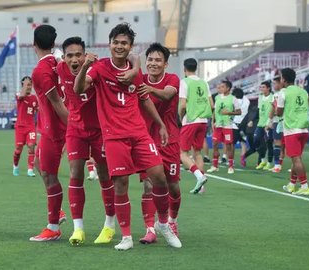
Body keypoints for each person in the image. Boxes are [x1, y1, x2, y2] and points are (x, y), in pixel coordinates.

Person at [74, 23, 181, 250]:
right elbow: (79, 89)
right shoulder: (100, 68)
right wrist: (84, 67)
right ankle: (126, 236)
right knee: (120, 184)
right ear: (109, 44)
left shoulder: (136, 71)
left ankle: (163, 224)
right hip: (114, 137)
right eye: (116, 42)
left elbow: (144, 98)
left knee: (159, 177)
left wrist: (161, 124)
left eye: (124, 43)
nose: (119, 46)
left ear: (130, 46)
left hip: (139, 134)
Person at [57, 36, 116, 246]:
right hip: (75, 129)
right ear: (63, 58)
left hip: (100, 129)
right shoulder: (59, 70)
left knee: (104, 175)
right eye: (70, 56)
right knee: (75, 173)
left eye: (78, 55)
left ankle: (109, 225)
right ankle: (78, 229)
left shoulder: (97, 69)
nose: (74, 60)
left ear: (85, 55)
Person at [137, 43, 182, 244]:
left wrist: (149, 89)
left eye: (158, 60)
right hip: (146, 140)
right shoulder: (140, 79)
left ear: (165, 64)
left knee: (172, 187)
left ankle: (172, 220)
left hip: (169, 140)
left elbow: (167, 94)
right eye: (150, 60)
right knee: (148, 186)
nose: (153, 63)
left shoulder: (172, 79)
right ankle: (150, 229)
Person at [29, 25, 68, 242]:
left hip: (55, 129)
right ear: (53, 43)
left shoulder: (40, 72)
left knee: (50, 175)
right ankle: (58, 211)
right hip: (50, 128)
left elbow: (58, 104)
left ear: (33, 44)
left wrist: (75, 130)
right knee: (38, 163)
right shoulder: (57, 62)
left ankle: (53, 225)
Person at [178, 58, 212, 194]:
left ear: (184, 69)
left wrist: (181, 118)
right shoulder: (204, 83)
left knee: (182, 153)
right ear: (196, 68)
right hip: (203, 120)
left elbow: (183, 105)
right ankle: (201, 186)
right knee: (197, 152)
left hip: (191, 120)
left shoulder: (184, 82)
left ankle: (199, 176)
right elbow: (212, 103)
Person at [277, 68, 309, 195]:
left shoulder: (283, 92)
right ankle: (292, 184)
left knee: (296, 159)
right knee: (297, 159)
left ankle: (304, 186)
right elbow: (308, 106)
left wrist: (276, 107)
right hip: (304, 128)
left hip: (292, 129)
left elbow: (279, 113)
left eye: (280, 78)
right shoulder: (303, 91)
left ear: (284, 79)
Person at [207, 80, 241, 174]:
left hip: (227, 126)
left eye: (222, 87)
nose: (220, 88)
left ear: (228, 88)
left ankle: (230, 166)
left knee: (229, 145)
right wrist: (213, 122)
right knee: (214, 144)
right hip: (218, 125)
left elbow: (239, 112)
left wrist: (229, 113)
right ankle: (215, 166)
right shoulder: (217, 97)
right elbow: (215, 111)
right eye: (220, 86)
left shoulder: (233, 99)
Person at [241, 81, 274, 170]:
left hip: (268, 124)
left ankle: (269, 163)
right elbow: (258, 111)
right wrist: (252, 120)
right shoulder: (260, 97)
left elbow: (274, 110)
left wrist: (270, 121)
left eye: (263, 87)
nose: (261, 89)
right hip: (260, 124)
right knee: (256, 141)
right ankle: (263, 160)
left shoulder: (273, 97)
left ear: (268, 88)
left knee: (269, 143)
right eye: (261, 87)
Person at [11, 76, 37, 177]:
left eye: (30, 84)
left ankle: (30, 170)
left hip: (30, 126)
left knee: (31, 146)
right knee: (18, 149)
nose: (29, 87)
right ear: (23, 85)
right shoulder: (19, 95)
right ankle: (15, 166)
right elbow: (22, 94)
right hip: (20, 127)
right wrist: (25, 85)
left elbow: (39, 111)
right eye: (27, 85)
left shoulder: (34, 98)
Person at [271, 76, 285, 173]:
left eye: (275, 83)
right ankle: (277, 164)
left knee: (281, 143)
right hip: (276, 121)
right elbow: (273, 108)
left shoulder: (283, 93)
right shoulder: (274, 95)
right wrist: (270, 120)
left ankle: (278, 164)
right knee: (277, 142)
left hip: (283, 120)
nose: (274, 85)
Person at [232, 87, 250, 158]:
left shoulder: (234, 101)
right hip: (244, 124)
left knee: (232, 143)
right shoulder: (247, 100)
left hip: (234, 124)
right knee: (243, 142)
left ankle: (231, 160)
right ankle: (243, 158)